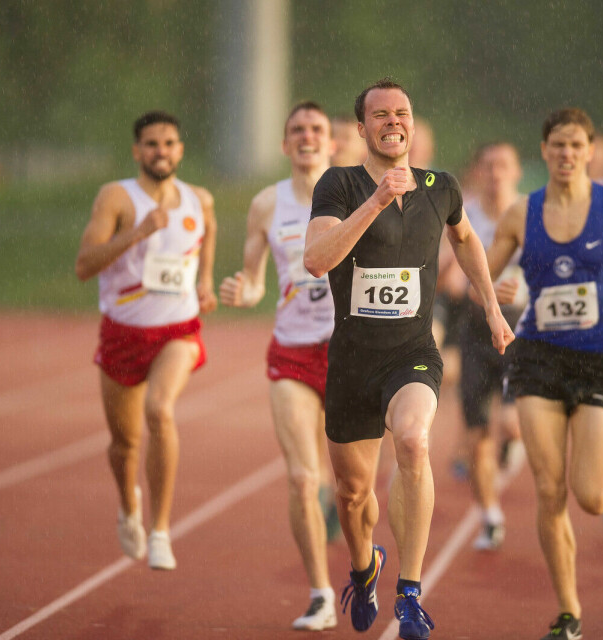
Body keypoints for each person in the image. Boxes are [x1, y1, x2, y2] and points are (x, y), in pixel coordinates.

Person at [304, 79, 513, 640]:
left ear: (413, 124)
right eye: (380, 115)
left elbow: (467, 240)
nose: (393, 122)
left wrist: (491, 307)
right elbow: (317, 260)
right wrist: (375, 202)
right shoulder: (340, 184)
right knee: (352, 494)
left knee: (416, 441)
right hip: (352, 361)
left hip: (412, 354)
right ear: (362, 128)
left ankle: (411, 592)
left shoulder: (440, 187)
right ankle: (364, 566)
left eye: (402, 113)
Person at [486, 108, 603, 639]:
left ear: (591, 153)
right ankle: (569, 612)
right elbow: (482, 273)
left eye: (576, 146)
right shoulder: (522, 213)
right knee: (549, 488)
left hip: (596, 362)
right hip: (538, 357)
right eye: (557, 145)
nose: (566, 154)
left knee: (593, 497)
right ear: (543, 151)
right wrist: (495, 295)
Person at [74, 111, 217, 570]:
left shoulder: (199, 199)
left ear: (180, 150)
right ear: (137, 151)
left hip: (178, 330)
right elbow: (84, 265)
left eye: (170, 143)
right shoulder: (117, 197)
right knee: (125, 444)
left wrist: (206, 281)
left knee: (160, 409)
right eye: (152, 144)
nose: (162, 151)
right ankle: (129, 506)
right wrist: (138, 233)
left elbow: (207, 237)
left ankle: (160, 530)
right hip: (123, 333)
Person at [219, 101, 339, 630]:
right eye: (297, 130)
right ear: (284, 144)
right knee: (300, 476)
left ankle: (358, 547)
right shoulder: (267, 204)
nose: (307, 137)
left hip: (349, 349)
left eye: (317, 129)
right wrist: (242, 291)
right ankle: (319, 593)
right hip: (292, 348)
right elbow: (254, 277)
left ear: (332, 142)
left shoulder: (355, 192)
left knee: (353, 486)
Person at [452, 142, 527, 551]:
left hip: (521, 333)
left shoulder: (531, 216)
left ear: (516, 172)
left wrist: (525, 292)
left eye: (503, 165)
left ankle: (514, 441)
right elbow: (447, 281)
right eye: (488, 165)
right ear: (478, 172)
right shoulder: (463, 216)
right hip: (476, 334)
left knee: (513, 424)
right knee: (478, 435)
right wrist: (482, 289)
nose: (495, 173)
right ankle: (490, 516)